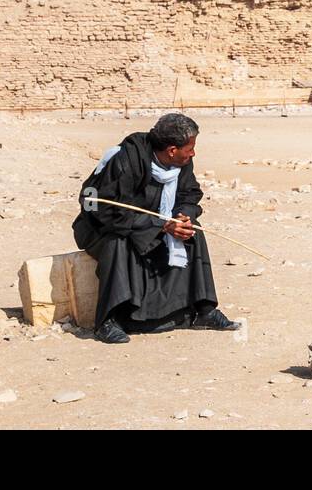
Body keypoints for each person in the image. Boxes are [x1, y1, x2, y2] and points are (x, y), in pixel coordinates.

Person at [72, 112, 239, 344]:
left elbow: (189, 194)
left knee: (193, 231)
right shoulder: (124, 160)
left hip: (155, 224)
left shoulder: (181, 163)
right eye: (189, 148)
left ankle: (202, 310)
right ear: (172, 150)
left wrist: (183, 217)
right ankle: (109, 321)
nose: (193, 153)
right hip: (102, 228)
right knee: (118, 241)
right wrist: (160, 225)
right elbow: (104, 211)